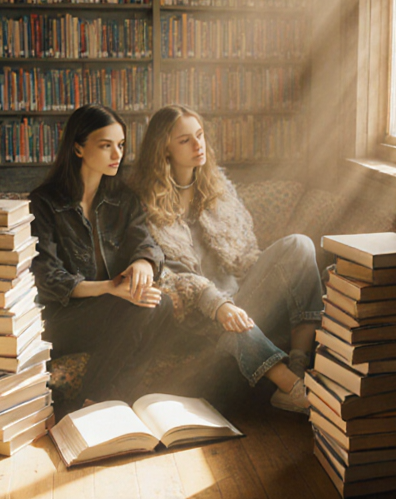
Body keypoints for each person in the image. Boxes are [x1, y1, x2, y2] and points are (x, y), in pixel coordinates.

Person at [128, 105, 323, 413]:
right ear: (163, 149)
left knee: (299, 245)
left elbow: (247, 257)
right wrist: (219, 305)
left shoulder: (219, 189)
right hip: (202, 317)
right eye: (185, 141)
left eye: (200, 135)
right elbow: (168, 279)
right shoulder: (143, 207)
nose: (198, 145)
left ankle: (298, 365)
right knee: (232, 322)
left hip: (243, 298)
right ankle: (290, 385)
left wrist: (263, 288)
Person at [29, 104, 174, 409]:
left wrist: (142, 263)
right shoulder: (44, 202)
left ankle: (105, 399)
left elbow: (147, 243)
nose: (117, 155)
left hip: (110, 315)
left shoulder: (123, 199)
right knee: (138, 307)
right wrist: (109, 287)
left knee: (160, 303)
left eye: (120, 145)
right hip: (61, 320)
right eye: (106, 145)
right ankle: (96, 400)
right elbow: (47, 278)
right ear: (78, 148)